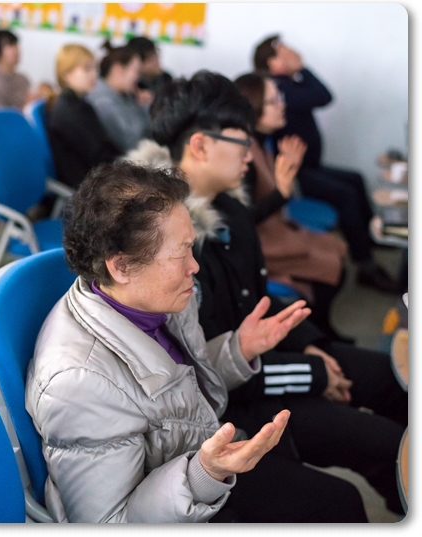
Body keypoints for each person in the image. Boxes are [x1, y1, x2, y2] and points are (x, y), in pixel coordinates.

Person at [25, 160, 368, 523]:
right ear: (121, 266)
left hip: (202, 449)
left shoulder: (151, 298)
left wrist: (238, 350)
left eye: (192, 247)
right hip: (186, 493)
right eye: (182, 252)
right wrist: (204, 474)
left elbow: (176, 387)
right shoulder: (78, 383)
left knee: (339, 490)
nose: (195, 266)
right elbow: (108, 522)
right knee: (338, 504)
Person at [146, 70, 407, 516]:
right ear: (200, 146)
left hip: (268, 365)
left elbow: (260, 299)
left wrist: (311, 345)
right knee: (355, 485)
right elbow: (205, 372)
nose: (251, 154)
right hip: (236, 404)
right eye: (241, 142)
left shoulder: (231, 209)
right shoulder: (174, 246)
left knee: (390, 377)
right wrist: (315, 373)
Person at [253, 35, 397, 293]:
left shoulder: (288, 85)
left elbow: (321, 95)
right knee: (346, 194)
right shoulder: (280, 89)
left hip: (309, 166)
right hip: (297, 174)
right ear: (271, 63)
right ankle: (366, 265)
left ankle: (368, 239)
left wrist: (298, 69)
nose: (292, 54)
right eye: (284, 53)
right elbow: (323, 95)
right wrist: (302, 67)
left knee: (355, 178)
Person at [233, 72, 349, 339]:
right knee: (332, 265)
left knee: (336, 248)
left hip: (277, 231)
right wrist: (282, 193)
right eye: (274, 101)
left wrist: (287, 175)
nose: (282, 104)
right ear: (254, 108)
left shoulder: (261, 142)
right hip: (263, 245)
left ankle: (321, 328)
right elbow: (243, 220)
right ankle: (319, 334)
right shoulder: (244, 156)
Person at [47, 44, 122, 189]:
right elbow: (98, 156)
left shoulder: (78, 103)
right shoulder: (70, 111)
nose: (94, 74)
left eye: (94, 68)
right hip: (87, 186)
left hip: (94, 176)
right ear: (66, 74)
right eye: (87, 69)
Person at [86, 43, 151, 152]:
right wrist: (145, 108)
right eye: (136, 71)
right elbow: (131, 143)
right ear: (118, 69)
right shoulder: (102, 101)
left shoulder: (126, 96)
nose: (137, 78)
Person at [0, 29, 32, 110]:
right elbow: (1, 114)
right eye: (10, 45)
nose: (16, 50)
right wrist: (27, 106)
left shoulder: (22, 79)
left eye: (16, 45)